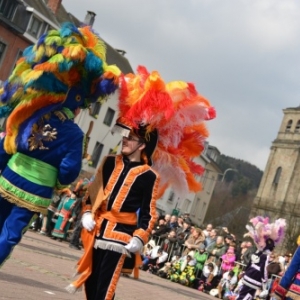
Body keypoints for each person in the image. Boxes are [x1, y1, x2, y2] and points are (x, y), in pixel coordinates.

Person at [66, 66, 216, 299]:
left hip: (120, 236)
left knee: (105, 289)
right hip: (97, 230)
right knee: (91, 285)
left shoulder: (148, 176)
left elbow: (148, 213)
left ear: (142, 144)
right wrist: (87, 212)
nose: (125, 139)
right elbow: (93, 194)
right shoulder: (109, 162)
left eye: (131, 138)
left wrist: (139, 236)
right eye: (126, 135)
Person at [0, 23, 120, 266]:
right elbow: (69, 170)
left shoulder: (34, 113)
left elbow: (9, 142)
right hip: (37, 188)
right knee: (10, 234)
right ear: (78, 105)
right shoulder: (75, 134)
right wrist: (59, 183)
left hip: (9, 176)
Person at [236, 217, 286, 300]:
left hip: (248, 275)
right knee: (247, 295)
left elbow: (250, 263)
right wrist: (264, 280)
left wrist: (245, 271)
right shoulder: (266, 256)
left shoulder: (258, 252)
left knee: (244, 293)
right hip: (255, 278)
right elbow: (264, 269)